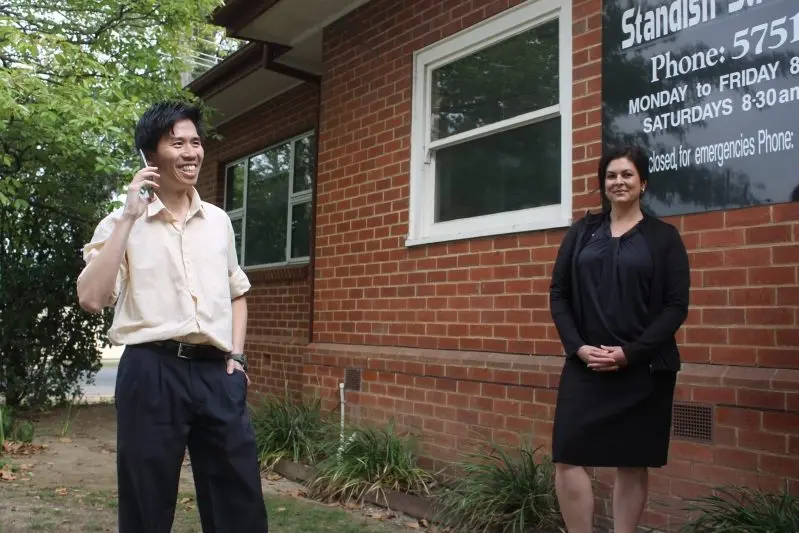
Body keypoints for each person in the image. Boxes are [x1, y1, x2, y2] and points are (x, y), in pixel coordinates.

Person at [77, 101, 268, 533]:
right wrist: (129, 216)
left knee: (239, 501)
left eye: (195, 142)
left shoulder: (217, 221)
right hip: (152, 372)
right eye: (177, 143)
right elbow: (91, 298)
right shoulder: (120, 223)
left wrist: (237, 357)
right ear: (150, 155)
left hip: (217, 373)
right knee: (146, 500)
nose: (190, 152)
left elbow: (237, 293)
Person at [548, 145, 690, 533]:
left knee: (632, 461)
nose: (618, 181)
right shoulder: (581, 232)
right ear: (603, 184)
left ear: (643, 183)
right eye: (611, 175)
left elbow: (676, 306)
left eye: (627, 174)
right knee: (568, 456)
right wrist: (578, 347)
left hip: (642, 369)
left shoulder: (664, 238)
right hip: (586, 365)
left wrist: (630, 353)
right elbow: (559, 293)